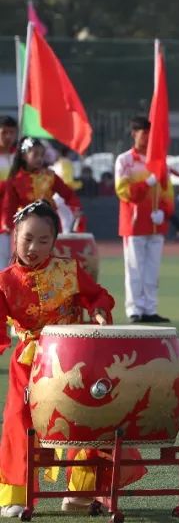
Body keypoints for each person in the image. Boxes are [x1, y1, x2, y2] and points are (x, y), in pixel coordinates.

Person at [0, 200, 143, 517]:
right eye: (27, 239)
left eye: (43, 240)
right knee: (19, 423)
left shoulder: (68, 270)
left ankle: (80, 492)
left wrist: (99, 311)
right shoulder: (5, 280)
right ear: (15, 237)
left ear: (54, 241)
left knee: (85, 421)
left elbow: (97, 296)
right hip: (29, 363)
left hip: (73, 357)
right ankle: (17, 495)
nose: (34, 247)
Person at [115, 117, 174, 323]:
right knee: (134, 268)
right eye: (144, 133)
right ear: (134, 134)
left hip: (156, 224)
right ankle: (134, 309)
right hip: (134, 224)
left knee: (152, 269)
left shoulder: (160, 161)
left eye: (151, 133)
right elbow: (124, 192)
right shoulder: (124, 161)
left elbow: (168, 193)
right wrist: (148, 183)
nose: (148, 137)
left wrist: (164, 212)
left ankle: (150, 308)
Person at [2, 138, 83, 238]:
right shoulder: (15, 181)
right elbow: (9, 206)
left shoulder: (50, 176)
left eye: (42, 155)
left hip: (50, 225)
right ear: (24, 156)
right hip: (26, 227)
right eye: (35, 155)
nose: (39, 159)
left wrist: (75, 207)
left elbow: (68, 194)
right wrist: (7, 225)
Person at [50, 146, 82, 233]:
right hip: (63, 196)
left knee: (63, 220)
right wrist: (78, 184)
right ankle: (65, 242)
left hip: (55, 196)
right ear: (67, 153)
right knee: (67, 220)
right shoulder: (67, 163)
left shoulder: (56, 164)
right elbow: (67, 181)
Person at [0, 117, 17, 263]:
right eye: (4, 132)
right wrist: (10, 184)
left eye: (12, 133)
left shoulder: (18, 157)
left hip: (14, 214)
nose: (8, 137)